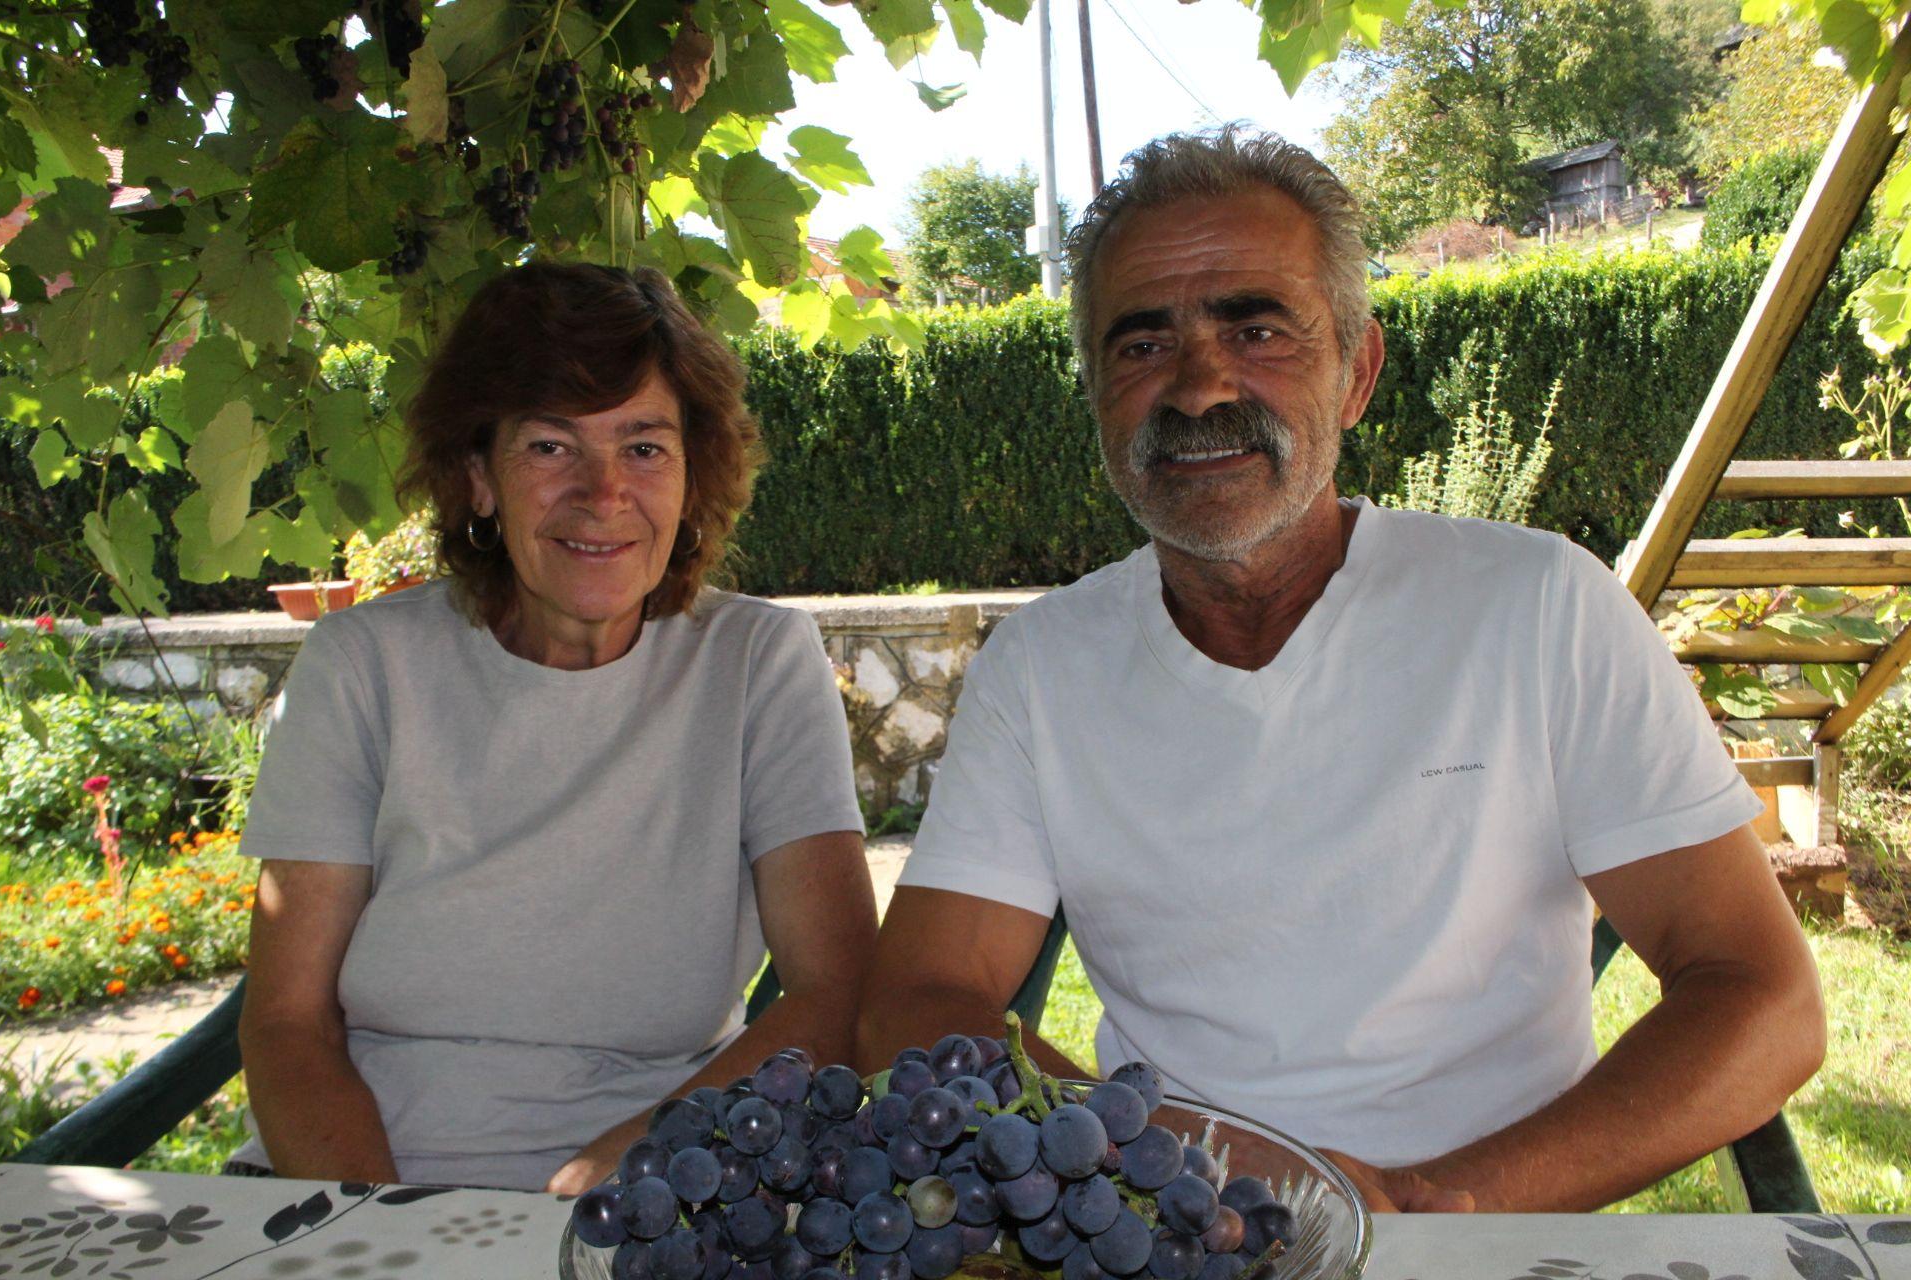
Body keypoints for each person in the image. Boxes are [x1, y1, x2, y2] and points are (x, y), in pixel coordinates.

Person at [857, 129, 1826, 1213]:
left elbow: (1765, 997)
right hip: (1176, 1230)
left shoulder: (1537, 608)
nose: (1197, 386)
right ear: (1094, 394)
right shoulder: (1041, 670)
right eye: (1140, 345)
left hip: (1487, 1233)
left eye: (1257, 328)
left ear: (1357, 371)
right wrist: (1173, 1172)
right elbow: (916, 999)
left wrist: (1427, 1211)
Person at [234, 262, 876, 1194]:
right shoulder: (365, 664)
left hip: (663, 1177)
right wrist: (383, 1230)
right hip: (359, 1176)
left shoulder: (757, 662)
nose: (603, 491)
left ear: (693, 472)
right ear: (478, 476)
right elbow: (286, 1022)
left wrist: (639, 1159)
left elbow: (834, 992)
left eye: (645, 447)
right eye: (549, 447)